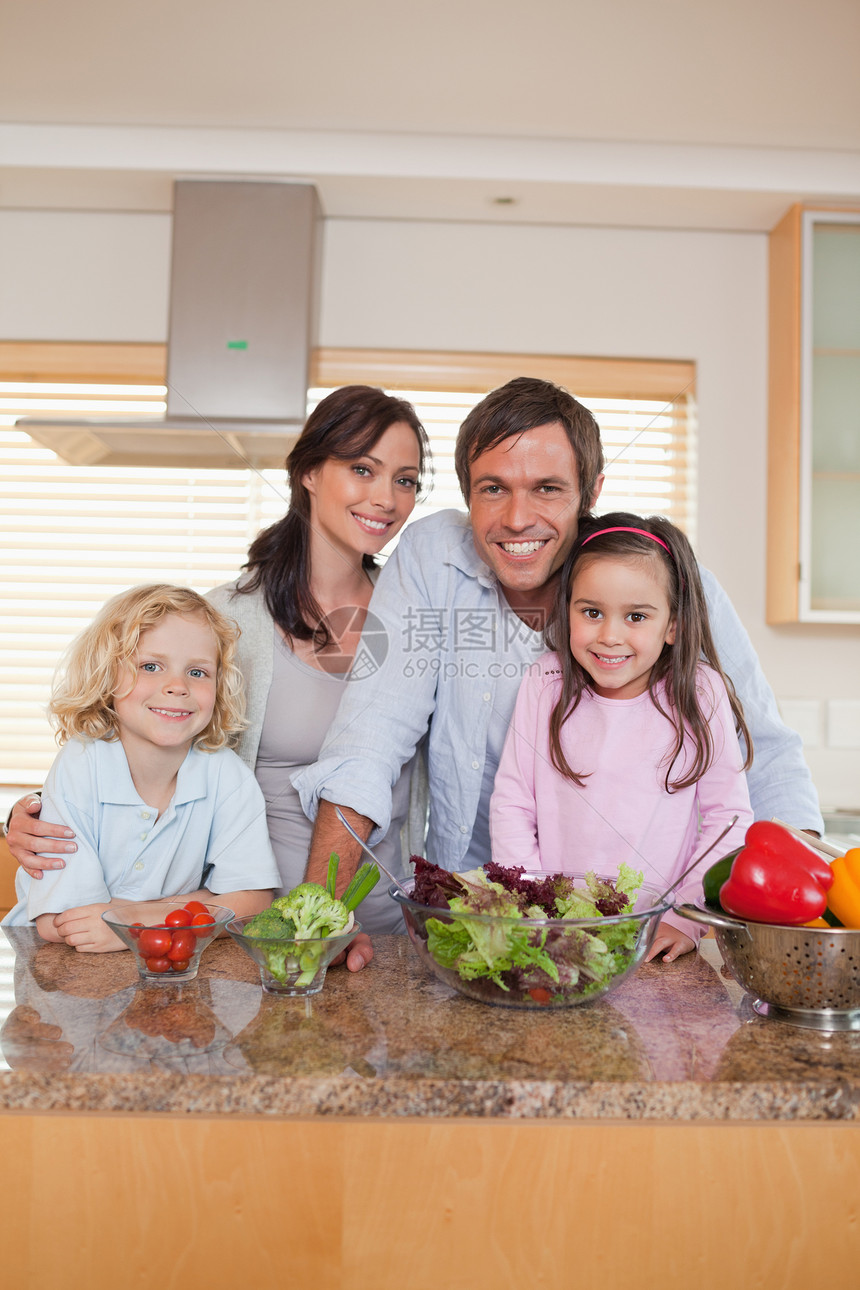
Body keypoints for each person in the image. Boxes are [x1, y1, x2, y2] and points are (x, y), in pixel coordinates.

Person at [291, 377, 822, 970]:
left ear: (590, 490)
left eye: (547, 488)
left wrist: (812, 922)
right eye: (494, 489)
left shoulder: (654, 576)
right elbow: (372, 735)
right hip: (478, 921)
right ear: (468, 493)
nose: (518, 519)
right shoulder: (430, 558)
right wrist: (321, 912)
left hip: (653, 933)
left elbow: (763, 759)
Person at [7, 386, 431, 966]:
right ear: (309, 471)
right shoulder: (227, 619)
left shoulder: (416, 623)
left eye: (405, 480)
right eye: (363, 469)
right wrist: (34, 809)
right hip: (235, 931)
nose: (386, 498)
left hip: (384, 930)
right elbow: (145, 741)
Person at [489, 514, 754, 963]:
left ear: (672, 625)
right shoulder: (545, 683)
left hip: (658, 939)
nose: (610, 636)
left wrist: (687, 919)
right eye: (591, 612)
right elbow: (513, 805)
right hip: (557, 937)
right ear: (567, 609)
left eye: (636, 616)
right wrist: (531, 906)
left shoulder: (700, 692)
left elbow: (728, 820)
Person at [3, 585, 279, 949]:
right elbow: (63, 923)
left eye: (198, 672)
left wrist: (141, 918)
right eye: (151, 666)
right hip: (58, 974)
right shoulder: (80, 763)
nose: (177, 686)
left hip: (168, 969)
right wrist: (200, 904)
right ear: (108, 677)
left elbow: (254, 904)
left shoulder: (227, 776)